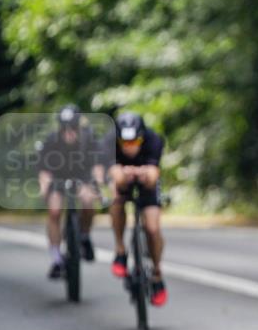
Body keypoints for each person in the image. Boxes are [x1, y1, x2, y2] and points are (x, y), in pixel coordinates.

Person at [36, 104, 106, 278]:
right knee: (54, 211)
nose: (69, 132)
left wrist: (98, 185)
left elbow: (97, 165)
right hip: (58, 179)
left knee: (88, 203)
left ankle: (84, 236)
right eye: (65, 128)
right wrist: (44, 188)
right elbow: (44, 170)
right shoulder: (51, 140)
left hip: (81, 177)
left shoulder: (89, 138)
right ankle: (56, 258)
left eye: (72, 127)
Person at [107, 111, 168, 306]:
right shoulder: (108, 143)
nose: (130, 148)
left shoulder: (153, 140)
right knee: (115, 198)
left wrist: (139, 172)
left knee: (152, 228)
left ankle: (157, 273)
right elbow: (114, 174)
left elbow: (152, 176)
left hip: (146, 183)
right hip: (123, 182)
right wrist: (123, 174)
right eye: (125, 143)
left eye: (134, 142)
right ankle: (120, 249)